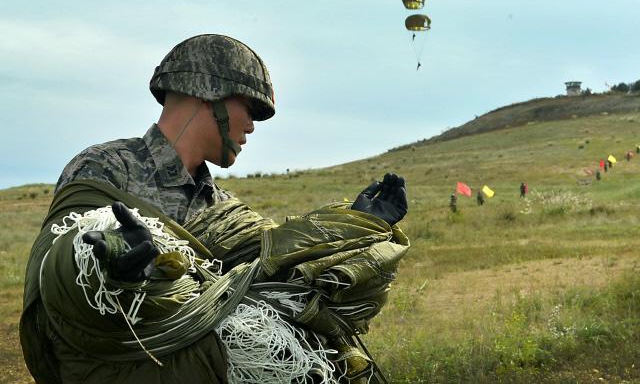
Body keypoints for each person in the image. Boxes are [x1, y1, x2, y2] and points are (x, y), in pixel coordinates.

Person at [21, 34, 409, 383]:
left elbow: (274, 283)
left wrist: (354, 227)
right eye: (251, 110)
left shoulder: (220, 206)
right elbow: (62, 275)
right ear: (209, 93)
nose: (253, 127)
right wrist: (114, 269)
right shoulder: (107, 168)